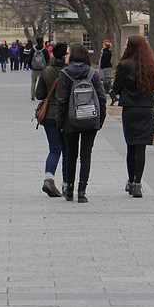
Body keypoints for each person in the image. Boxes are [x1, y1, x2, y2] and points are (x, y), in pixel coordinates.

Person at [111, 35, 154, 198]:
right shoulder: (152, 65)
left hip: (130, 109)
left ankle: (131, 179)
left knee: (131, 146)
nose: (125, 47)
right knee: (141, 147)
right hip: (146, 108)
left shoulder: (124, 65)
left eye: (127, 44)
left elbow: (116, 88)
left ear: (132, 47)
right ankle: (138, 183)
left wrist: (120, 92)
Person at [54, 43, 107, 202]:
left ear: (74, 55)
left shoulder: (65, 74)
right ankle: (82, 191)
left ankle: (69, 189)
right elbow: (102, 98)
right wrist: (100, 119)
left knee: (71, 154)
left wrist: (60, 123)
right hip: (90, 119)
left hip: (71, 120)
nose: (66, 55)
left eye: (68, 53)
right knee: (86, 155)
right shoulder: (92, 73)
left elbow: (61, 101)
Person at [35, 43, 68, 197]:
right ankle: (67, 183)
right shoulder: (68, 72)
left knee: (54, 148)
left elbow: (39, 94)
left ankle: (49, 178)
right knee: (68, 150)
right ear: (64, 55)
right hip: (66, 116)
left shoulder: (47, 71)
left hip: (48, 115)